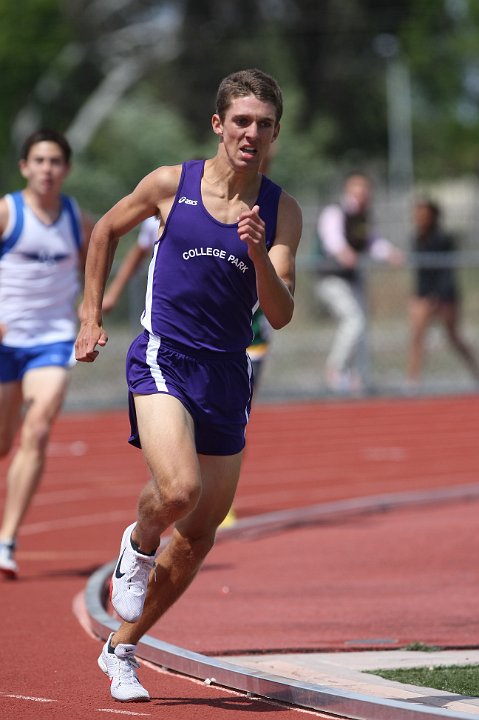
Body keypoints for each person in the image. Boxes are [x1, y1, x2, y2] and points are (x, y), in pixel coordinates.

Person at [75, 68, 302, 703]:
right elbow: (105, 232)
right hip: (164, 357)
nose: (251, 133)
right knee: (178, 491)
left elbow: (280, 313)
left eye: (263, 124)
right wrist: (91, 317)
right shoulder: (173, 183)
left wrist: (259, 254)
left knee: (200, 534)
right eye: (241, 121)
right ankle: (138, 541)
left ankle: (122, 646)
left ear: (275, 132)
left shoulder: (281, 210)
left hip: (228, 372)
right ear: (218, 125)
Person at [0, 129, 94, 579]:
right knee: (3, 442)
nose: (47, 169)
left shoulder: (75, 216)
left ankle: (6, 541)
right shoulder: (7, 212)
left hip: (52, 340)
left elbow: (101, 248)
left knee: (37, 429)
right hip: (4, 343)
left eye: (55, 161)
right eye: (38, 160)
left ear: (66, 169)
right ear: (24, 167)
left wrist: (94, 305)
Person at [315, 172, 403, 394]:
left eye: (365, 191)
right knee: (354, 320)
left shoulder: (364, 216)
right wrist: (343, 252)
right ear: (348, 191)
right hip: (331, 277)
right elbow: (332, 239)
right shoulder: (335, 211)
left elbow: (373, 243)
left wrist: (390, 253)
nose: (362, 196)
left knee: (361, 325)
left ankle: (356, 375)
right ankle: (335, 371)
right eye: (357, 191)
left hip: (352, 278)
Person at [406, 198, 479, 387]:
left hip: (445, 294)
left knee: (453, 336)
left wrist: (439, 295)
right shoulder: (416, 239)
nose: (419, 218)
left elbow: (447, 270)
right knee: (417, 336)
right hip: (423, 293)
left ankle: (475, 371)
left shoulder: (443, 239)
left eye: (423, 214)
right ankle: (413, 381)